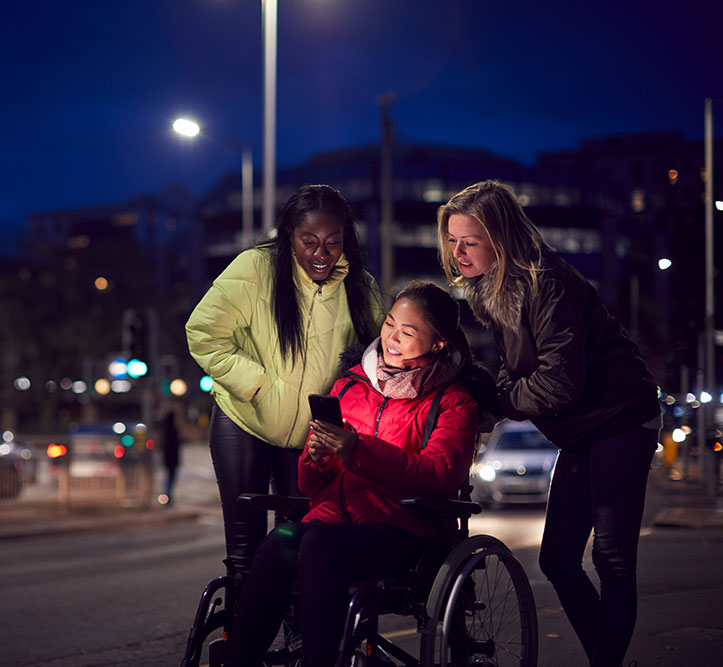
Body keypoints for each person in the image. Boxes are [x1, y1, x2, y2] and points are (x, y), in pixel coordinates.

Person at [438, 179, 661, 667]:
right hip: (584, 431)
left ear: (500, 238)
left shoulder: (546, 282)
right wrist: (482, 413)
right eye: (453, 241)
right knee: (557, 558)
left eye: (469, 242)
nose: (458, 253)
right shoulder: (491, 288)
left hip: (622, 417)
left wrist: (502, 401)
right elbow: (510, 370)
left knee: (612, 558)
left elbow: (559, 384)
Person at [224, 281, 498, 667]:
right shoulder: (350, 386)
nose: (392, 338)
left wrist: (357, 451)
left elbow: (439, 476)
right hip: (332, 521)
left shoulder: (453, 402)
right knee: (281, 538)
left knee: (318, 543)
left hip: (400, 531)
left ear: (438, 343)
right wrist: (316, 458)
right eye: (389, 324)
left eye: (408, 331)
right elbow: (310, 487)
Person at [186, 184, 386, 577]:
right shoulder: (255, 268)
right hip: (245, 421)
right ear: (289, 234)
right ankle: (238, 634)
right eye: (308, 241)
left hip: (311, 439)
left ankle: (297, 637)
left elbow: (380, 359)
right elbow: (203, 332)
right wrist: (258, 385)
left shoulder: (361, 288)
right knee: (245, 552)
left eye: (332, 242)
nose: (321, 254)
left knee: (299, 549)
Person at [158, 400, 182, 505]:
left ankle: (167, 496)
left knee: (169, 476)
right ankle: (167, 496)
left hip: (170, 456)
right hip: (171, 456)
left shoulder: (167, 428)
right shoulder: (172, 428)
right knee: (170, 476)